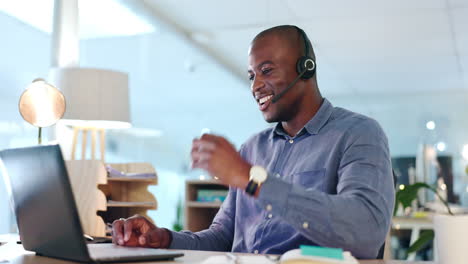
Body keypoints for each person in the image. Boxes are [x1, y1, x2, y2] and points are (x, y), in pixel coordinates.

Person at [112, 25, 395, 259]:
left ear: (306, 68)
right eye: (251, 75)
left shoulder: (359, 133)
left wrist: (253, 180)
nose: (255, 85)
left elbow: (366, 232)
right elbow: (223, 237)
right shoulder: (252, 149)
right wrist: (163, 239)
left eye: (267, 71)